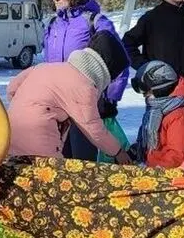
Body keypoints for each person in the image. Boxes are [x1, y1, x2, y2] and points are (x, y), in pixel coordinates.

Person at [43, 0, 129, 160]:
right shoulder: (53, 24)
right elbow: (47, 65)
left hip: (85, 103)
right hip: (58, 105)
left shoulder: (94, 22)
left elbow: (119, 59)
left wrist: (110, 98)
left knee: (83, 161)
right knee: (60, 161)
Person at [8, 30, 131, 163]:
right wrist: (117, 151)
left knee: (19, 170)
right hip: (40, 138)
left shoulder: (44, 67)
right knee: (49, 172)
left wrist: (24, 108)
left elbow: (12, 88)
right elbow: (92, 128)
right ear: (104, 73)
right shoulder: (84, 86)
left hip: (11, 129)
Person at [127, 61, 184, 168]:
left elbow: (178, 156)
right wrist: (137, 150)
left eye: (147, 92)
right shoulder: (157, 111)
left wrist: (153, 171)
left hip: (171, 173)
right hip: (152, 166)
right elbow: (155, 142)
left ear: (160, 88)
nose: (144, 96)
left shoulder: (180, 116)